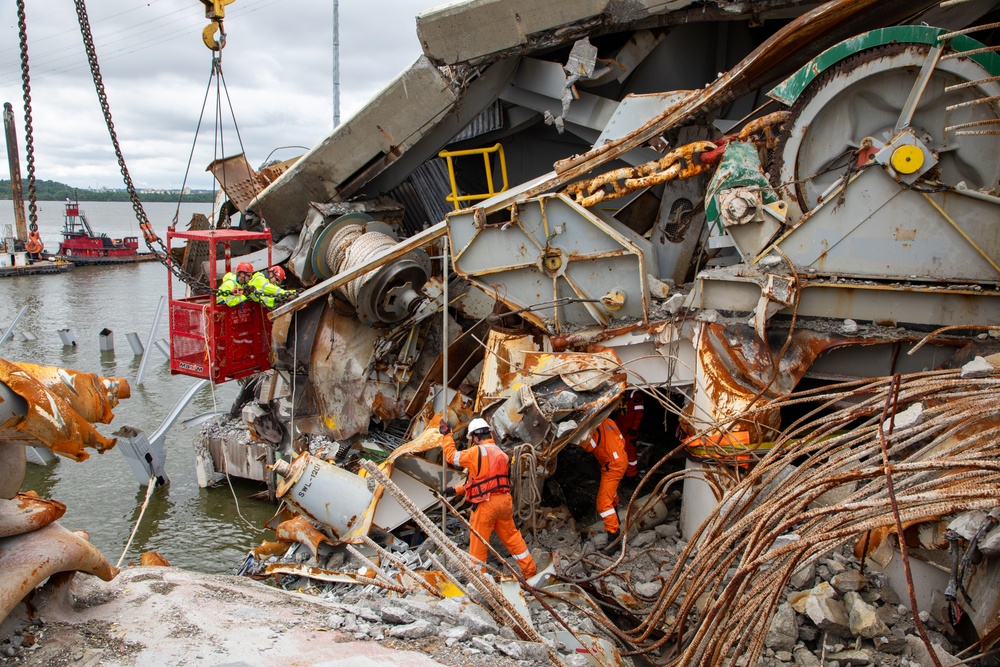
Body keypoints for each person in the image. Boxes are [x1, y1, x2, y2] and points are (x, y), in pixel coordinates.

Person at [439, 417, 537, 579]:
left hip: (486, 506)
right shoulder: (500, 453)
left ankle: (480, 581)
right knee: (513, 538)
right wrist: (457, 490)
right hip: (504, 502)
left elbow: (451, 457)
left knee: (478, 544)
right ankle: (530, 572)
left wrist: (446, 435)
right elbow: (487, 482)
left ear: (476, 437)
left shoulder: (475, 452)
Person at [582, 417, 629, 552]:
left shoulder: (595, 428)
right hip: (620, 459)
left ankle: (614, 538)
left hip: (612, 466)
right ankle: (616, 523)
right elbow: (621, 439)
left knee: (603, 504)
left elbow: (589, 446)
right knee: (611, 495)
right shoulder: (609, 421)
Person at [612, 390, 645, 477]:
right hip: (619, 429)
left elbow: (639, 414)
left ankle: (631, 474)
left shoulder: (636, 396)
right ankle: (621, 472)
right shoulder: (620, 394)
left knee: (630, 452)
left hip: (629, 430)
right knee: (618, 450)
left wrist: (634, 428)